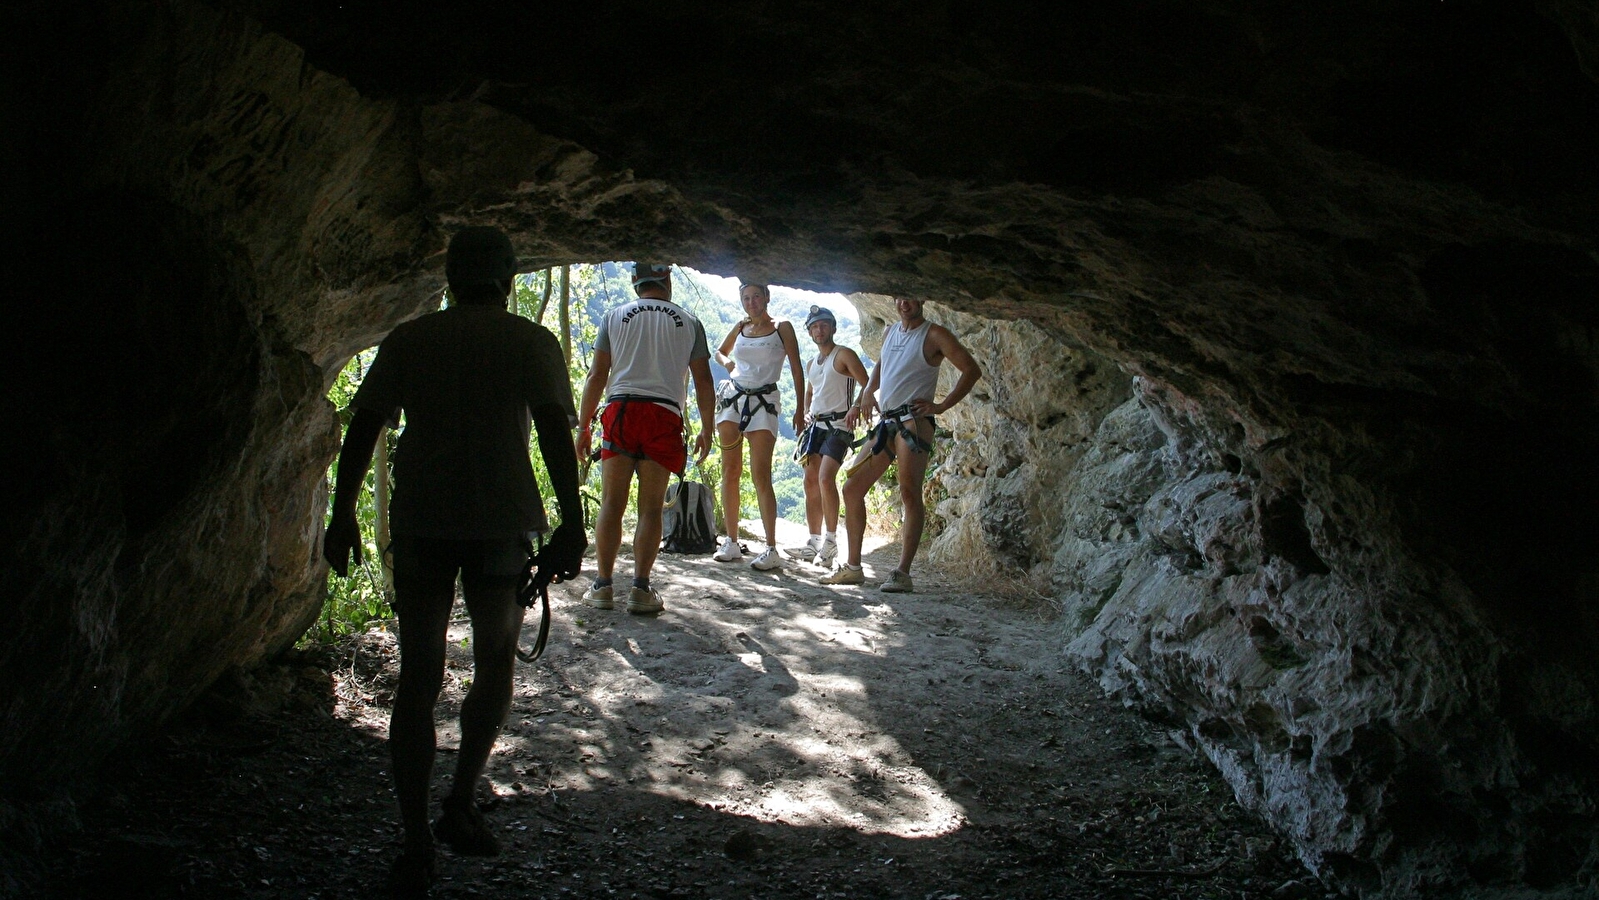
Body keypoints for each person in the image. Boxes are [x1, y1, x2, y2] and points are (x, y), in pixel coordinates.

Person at [323, 226, 585, 898]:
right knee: (494, 659)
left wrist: (343, 512)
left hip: (422, 522)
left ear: (448, 277)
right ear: (508, 279)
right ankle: (460, 801)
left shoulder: (411, 339)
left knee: (419, 673)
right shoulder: (530, 341)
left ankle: (414, 843)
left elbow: (367, 424)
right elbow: (554, 427)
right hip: (499, 523)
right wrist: (571, 523)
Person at [576, 262, 716, 614]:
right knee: (651, 508)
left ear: (635, 282)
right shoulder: (690, 322)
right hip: (664, 415)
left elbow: (596, 376)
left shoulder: (614, 316)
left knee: (612, 503)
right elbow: (703, 382)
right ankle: (640, 588)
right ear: (667, 280)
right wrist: (707, 427)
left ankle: (603, 586)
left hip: (621, 411)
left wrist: (583, 426)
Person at [821, 297, 981, 592]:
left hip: (913, 422)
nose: (904, 303)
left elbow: (971, 370)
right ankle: (854, 567)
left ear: (921, 299)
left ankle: (902, 573)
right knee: (852, 488)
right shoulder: (890, 332)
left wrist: (942, 405)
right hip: (887, 421)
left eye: (910, 296)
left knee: (909, 492)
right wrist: (868, 392)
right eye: (899, 297)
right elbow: (883, 365)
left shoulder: (935, 335)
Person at [710, 282, 805, 570]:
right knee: (730, 470)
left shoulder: (782, 327)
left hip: (764, 401)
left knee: (760, 475)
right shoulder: (741, 326)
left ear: (766, 297)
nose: (751, 302)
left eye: (755, 297)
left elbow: (797, 367)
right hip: (733, 399)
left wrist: (801, 408)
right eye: (746, 298)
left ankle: (772, 547)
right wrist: (729, 366)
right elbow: (719, 352)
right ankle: (732, 541)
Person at [785, 305, 870, 566]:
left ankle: (831, 543)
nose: (819, 330)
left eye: (823, 325)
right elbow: (812, 391)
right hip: (817, 426)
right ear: (810, 332)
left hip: (839, 426)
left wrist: (856, 406)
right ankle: (814, 541)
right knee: (810, 481)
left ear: (832, 328)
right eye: (814, 327)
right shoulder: (813, 363)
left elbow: (867, 382)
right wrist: (807, 412)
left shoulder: (843, 355)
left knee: (825, 478)